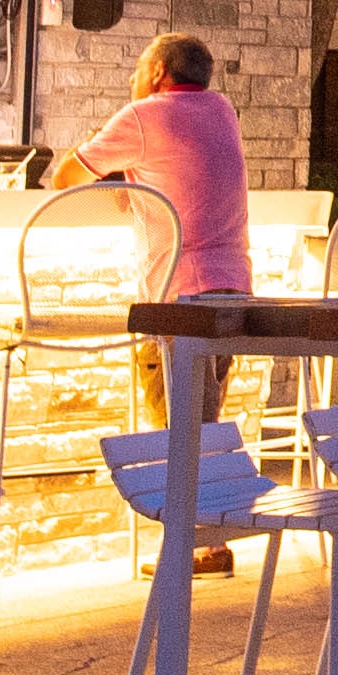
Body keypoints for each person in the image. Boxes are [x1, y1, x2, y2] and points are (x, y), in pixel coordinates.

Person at [56, 31, 254, 445]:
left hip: (178, 297)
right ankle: (207, 504)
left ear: (158, 70)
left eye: (138, 68)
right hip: (233, 291)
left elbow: (65, 178)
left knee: (181, 441)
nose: (133, 78)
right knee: (201, 431)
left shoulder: (143, 114)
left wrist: (99, 149)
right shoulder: (223, 110)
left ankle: (190, 507)